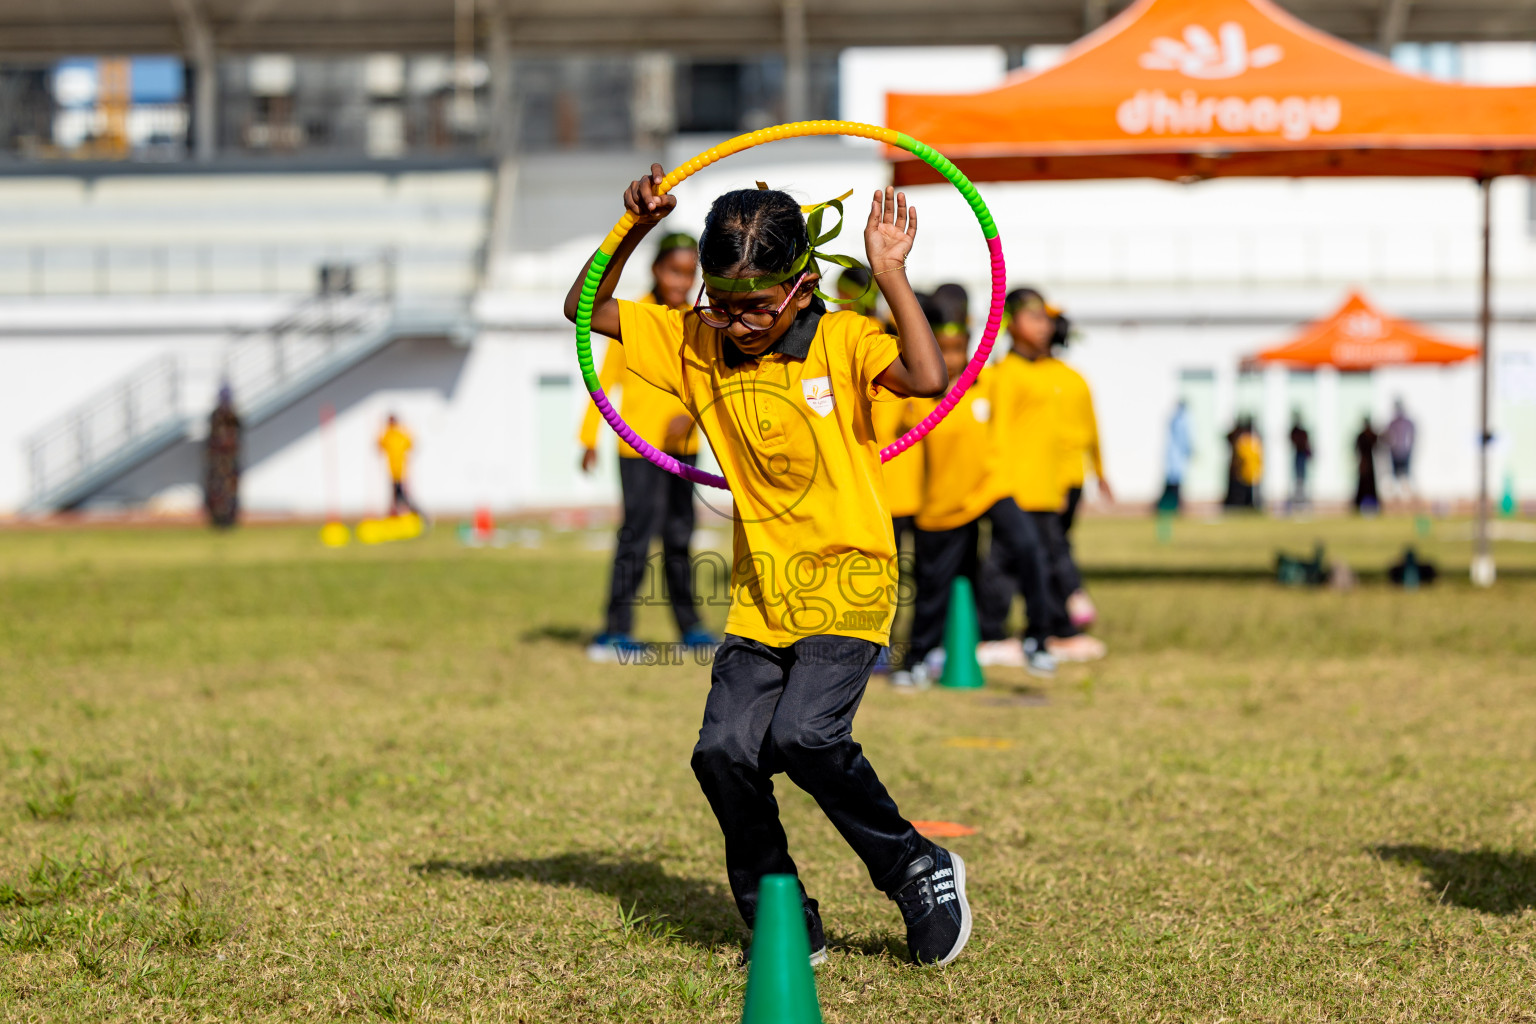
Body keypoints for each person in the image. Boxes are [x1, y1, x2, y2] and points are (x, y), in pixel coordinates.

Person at [562, 167, 971, 967]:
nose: (738, 321)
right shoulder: (696, 341)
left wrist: (889, 274)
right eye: (723, 301)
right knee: (722, 751)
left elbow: (928, 379)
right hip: (759, 595)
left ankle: (914, 865)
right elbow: (586, 310)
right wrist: (631, 227)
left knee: (807, 738)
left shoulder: (845, 339)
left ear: (803, 283)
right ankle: (780, 903)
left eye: (756, 304)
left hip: (849, 578)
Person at [904, 296, 1064, 681]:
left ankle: (1038, 639)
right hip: (945, 504)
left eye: (960, 350)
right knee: (935, 586)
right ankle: (917, 659)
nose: (954, 360)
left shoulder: (988, 382)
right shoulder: (919, 397)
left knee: (1029, 548)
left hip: (990, 488)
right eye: (944, 351)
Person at [578, 232, 715, 659]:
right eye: (674, 271)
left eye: (690, 274)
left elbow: (710, 384)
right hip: (637, 449)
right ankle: (615, 630)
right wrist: (587, 439)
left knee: (679, 537)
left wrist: (692, 417)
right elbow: (604, 378)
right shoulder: (633, 316)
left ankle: (690, 628)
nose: (681, 282)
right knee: (636, 538)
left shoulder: (699, 318)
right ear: (656, 269)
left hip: (684, 448)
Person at [987, 287, 1105, 664]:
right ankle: (992, 633)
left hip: (1046, 488)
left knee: (1042, 559)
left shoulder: (1052, 376)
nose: (1044, 326)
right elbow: (999, 435)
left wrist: (1082, 478)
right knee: (1005, 564)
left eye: (1046, 319)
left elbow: (1070, 436)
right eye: (1035, 317)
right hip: (1014, 488)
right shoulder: (1005, 375)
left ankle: (1052, 628)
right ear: (1010, 322)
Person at [204, 385, 241, 529]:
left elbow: (237, 436)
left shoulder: (233, 416)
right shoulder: (215, 416)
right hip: (218, 463)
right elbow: (213, 440)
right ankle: (217, 519)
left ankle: (230, 519)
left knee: (230, 492)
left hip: (230, 463)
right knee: (217, 492)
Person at [377, 414, 422, 518]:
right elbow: (380, 446)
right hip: (392, 471)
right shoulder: (387, 434)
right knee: (395, 495)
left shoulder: (401, 433)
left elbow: (411, 444)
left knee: (404, 494)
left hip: (402, 470)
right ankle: (396, 514)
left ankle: (411, 513)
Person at [1160, 399, 1192, 514]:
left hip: (1175, 456)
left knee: (1174, 481)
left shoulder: (1176, 418)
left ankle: (1172, 505)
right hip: (1176, 456)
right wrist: (1189, 450)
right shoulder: (1181, 420)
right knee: (1173, 483)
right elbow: (1184, 438)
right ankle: (1171, 506)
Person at [1384, 399, 1416, 502]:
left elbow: (1412, 435)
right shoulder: (1392, 423)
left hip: (1405, 452)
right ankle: (1396, 498)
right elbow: (1388, 436)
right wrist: (1391, 447)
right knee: (1395, 477)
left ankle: (1407, 498)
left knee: (1405, 476)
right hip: (1395, 452)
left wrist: (1409, 447)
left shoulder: (1407, 422)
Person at [1354, 417, 1381, 513]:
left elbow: (1377, 446)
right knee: (1362, 485)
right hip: (1364, 461)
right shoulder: (1361, 436)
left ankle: (1373, 506)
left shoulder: (1371, 435)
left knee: (1371, 485)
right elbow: (1356, 449)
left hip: (1370, 462)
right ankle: (1357, 506)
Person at [1236, 421, 1263, 510]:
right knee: (1244, 490)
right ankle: (1245, 505)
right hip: (1246, 470)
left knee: (1254, 490)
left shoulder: (1254, 441)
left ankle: (1254, 505)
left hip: (1253, 470)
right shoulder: (1244, 441)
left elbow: (1258, 456)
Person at [1289, 414, 1312, 511]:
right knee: (1298, 479)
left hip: (1302, 456)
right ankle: (1298, 500)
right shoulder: (1296, 431)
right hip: (1298, 456)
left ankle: (1302, 500)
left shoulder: (1303, 432)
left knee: (1302, 479)